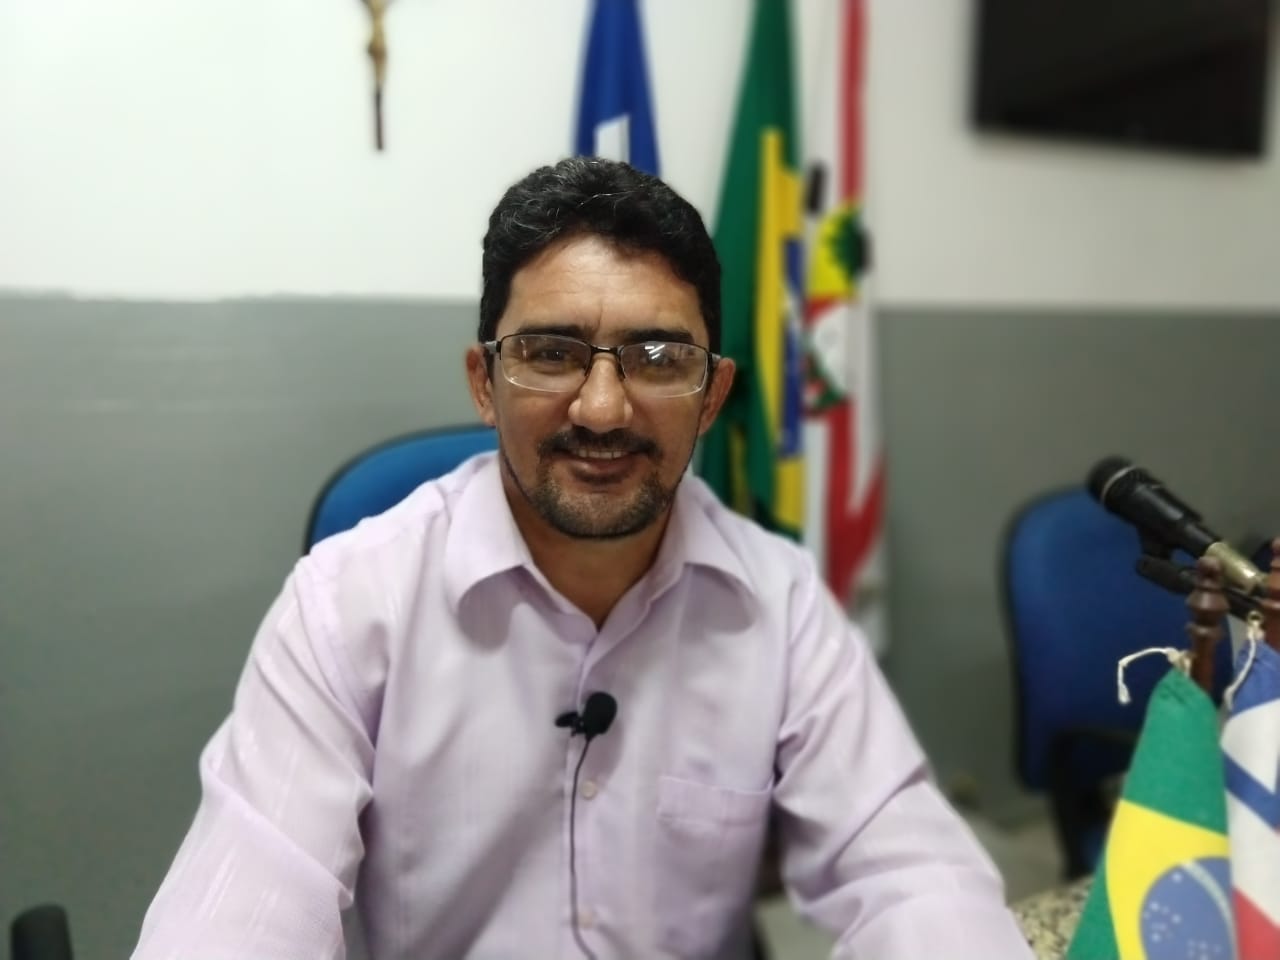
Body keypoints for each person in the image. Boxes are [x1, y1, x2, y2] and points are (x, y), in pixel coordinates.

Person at [132, 157, 1033, 960]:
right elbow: (243, 904)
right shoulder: (347, 602)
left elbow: (912, 872)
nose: (602, 409)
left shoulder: (781, 602)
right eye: (552, 353)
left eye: (658, 356)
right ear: (485, 383)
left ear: (711, 393)